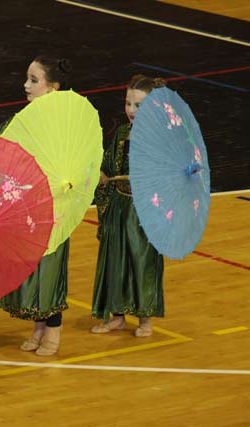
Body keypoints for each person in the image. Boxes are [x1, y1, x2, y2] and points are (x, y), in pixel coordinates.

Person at [0, 55, 72, 357]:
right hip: (30, 204)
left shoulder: (63, 123)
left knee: (51, 265)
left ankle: (53, 328)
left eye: (33, 80)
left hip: (55, 204)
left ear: (52, 88)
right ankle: (39, 325)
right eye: (27, 78)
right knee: (35, 264)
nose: (25, 85)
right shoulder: (26, 120)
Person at [90, 74, 167, 337]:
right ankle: (118, 315)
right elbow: (110, 164)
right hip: (119, 207)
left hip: (143, 211)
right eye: (128, 104)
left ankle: (145, 319)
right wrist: (102, 173)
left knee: (142, 262)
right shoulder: (123, 133)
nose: (131, 111)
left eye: (139, 106)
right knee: (115, 260)